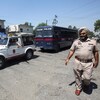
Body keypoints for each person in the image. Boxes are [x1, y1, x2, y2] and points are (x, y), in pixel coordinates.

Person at [65, 27, 99, 96]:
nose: (82, 35)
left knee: (87, 78)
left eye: (83, 33)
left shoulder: (93, 42)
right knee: (77, 76)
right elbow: (72, 50)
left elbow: (96, 52)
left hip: (88, 63)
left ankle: (86, 83)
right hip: (78, 61)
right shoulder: (76, 42)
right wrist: (68, 58)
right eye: (80, 34)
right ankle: (78, 88)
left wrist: (97, 61)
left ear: (87, 33)